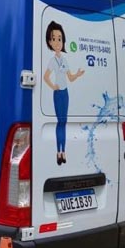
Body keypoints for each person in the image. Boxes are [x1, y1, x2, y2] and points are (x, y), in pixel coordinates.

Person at [43, 21, 84, 165]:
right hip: (58, 93)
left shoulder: (64, 60)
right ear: (50, 42)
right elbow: (46, 77)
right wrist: (52, 86)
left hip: (65, 93)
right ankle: (58, 152)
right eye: (54, 39)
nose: (57, 42)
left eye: (59, 39)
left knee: (64, 122)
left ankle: (64, 152)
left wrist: (77, 74)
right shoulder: (52, 60)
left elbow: (70, 78)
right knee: (60, 122)